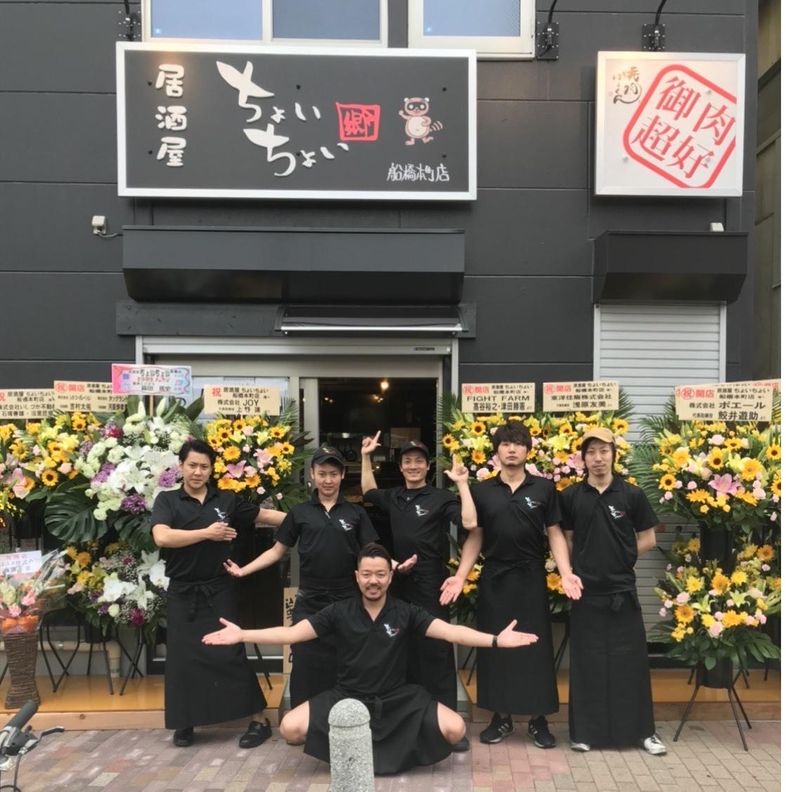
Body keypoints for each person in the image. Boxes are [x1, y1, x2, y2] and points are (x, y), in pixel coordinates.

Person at [202, 542, 539, 774]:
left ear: (390, 577)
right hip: (346, 697)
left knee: (455, 728)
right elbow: (291, 635)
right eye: (366, 574)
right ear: (357, 577)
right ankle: (355, 747)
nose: (373, 581)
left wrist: (496, 640)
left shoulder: (406, 612)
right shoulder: (338, 612)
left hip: (397, 700)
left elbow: (452, 632)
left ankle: (375, 751)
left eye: (380, 574)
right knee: (290, 728)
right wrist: (243, 635)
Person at [440, 420, 581, 747]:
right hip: (495, 578)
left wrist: (566, 572)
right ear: (497, 451)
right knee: (495, 646)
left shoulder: (544, 489)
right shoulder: (482, 491)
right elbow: (475, 536)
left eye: (518, 443)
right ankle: (500, 717)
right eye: (506, 444)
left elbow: (555, 534)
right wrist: (460, 576)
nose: (512, 449)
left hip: (531, 577)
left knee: (535, 647)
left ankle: (538, 719)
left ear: (528, 450)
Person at [151, 438, 287, 749]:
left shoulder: (226, 500)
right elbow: (162, 537)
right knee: (183, 660)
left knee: (231, 653)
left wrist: (310, 517)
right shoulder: (167, 501)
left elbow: (265, 516)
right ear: (181, 466)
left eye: (204, 466)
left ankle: (259, 720)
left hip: (219, 589)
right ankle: (186, 722)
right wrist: (207, 533)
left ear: (212, 470)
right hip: (183, 592)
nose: (197, 472)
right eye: (192, 465)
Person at [224, 445, 380, 708]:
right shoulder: (300, 513)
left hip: (348, 601)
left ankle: (351, 718)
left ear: (342, 475)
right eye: (322, 473)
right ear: (312, 474)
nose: (328, 480)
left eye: (333, 474)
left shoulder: (356, 513)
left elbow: (372, 554)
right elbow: (276, 552)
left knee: (350, 663)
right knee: (306, 663)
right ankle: (304, 720)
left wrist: (396, 565)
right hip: (310, 601)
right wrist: (243, 569)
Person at [360, 433, 477, 750]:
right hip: (399, 580)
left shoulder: (440, 497)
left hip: (431, 581)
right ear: (400, 467)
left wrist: (462, 484)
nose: (413, 466)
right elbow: (368, 491)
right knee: (400, 648)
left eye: (419, 461)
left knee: (436, 649)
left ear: (427, 467)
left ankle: (448, 726)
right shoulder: (394, 496)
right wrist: (366, 456)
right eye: (407, 461)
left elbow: (469, 522)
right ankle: (406, 722)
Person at [558, 426, 666, 755]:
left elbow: (649, 538)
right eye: (591, 452)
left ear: (613, 455)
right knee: (587, 662)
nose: (598, 458)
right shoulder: (571, 496)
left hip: (623, 592)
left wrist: (622, 557)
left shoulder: (631, 494)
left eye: (604, 451)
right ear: (583, 458)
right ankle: (585, 733)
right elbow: (567, 539)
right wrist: (575, 570)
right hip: (585, 593)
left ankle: (643, 733)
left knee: (630, 662)